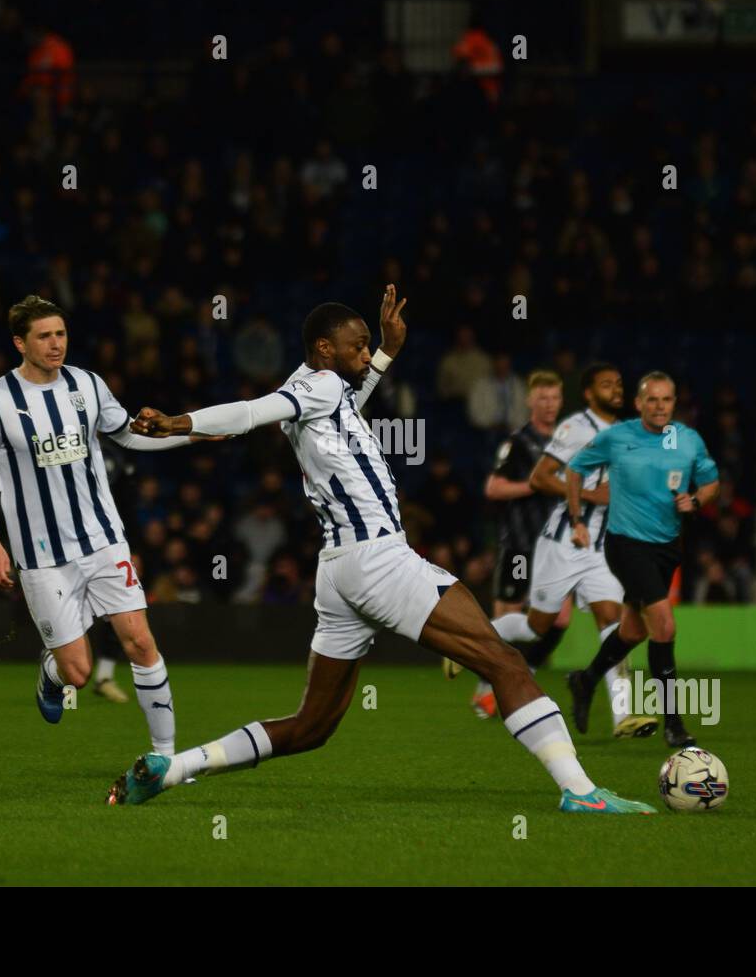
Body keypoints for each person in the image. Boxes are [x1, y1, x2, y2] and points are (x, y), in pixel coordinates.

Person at [109, 286, 655, 815]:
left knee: (311, 726)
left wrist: (389, 350)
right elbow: (251, 412)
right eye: (359, 343)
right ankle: (580, 789)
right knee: (505, 662)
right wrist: (181, 421)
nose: (365, 352)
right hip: (379, 560)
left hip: (339, 570)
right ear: (325, 349)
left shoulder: (323, 394)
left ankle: (173, 768)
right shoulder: (319, 387)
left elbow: (335, 398)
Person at [0, 295, 205, 755]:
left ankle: (165, 757)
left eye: (61, 334)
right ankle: (50, 671)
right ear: (20, 343)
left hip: (103, 540)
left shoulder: (88, 385)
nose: (56, 345)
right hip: (40, 556)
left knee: (139, 641)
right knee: (78, 673)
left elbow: (129, 434)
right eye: (44, 337)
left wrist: (190, 432)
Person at [485, 363, 656, 739]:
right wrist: (590, 495)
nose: (616, 389)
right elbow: (540, 477)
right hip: (562, 543)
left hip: (600, 548)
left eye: (619, 383)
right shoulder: (575, 428)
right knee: (535, 627)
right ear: (589, 394)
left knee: (613, 623)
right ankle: (472, 638)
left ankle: (624, 717)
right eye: (606, 384)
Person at [562, 371, 719, 747]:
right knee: (663, 626)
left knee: (633, 631)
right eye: (652, 399)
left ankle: (585, 680)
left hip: (666, 547)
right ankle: (674, 724)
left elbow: (712, 482)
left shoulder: (688, 440)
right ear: (638, 403)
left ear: (674, 403)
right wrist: (577, 519)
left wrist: (695, 500)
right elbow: (574, 469)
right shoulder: (617, 437)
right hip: (625, 545)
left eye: (666, 399)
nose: (659, 406)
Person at [454, 370, 563, 718]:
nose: (549, 405)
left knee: (558, 620)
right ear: (530, 402)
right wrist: (534, 486)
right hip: (519, 543)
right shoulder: (517, 443)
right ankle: (486, 690)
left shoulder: (568, 443)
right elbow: (493, 488)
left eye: (554, 398)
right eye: (542, 399)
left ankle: (520, 679)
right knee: (507, 618)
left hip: (557, 547)